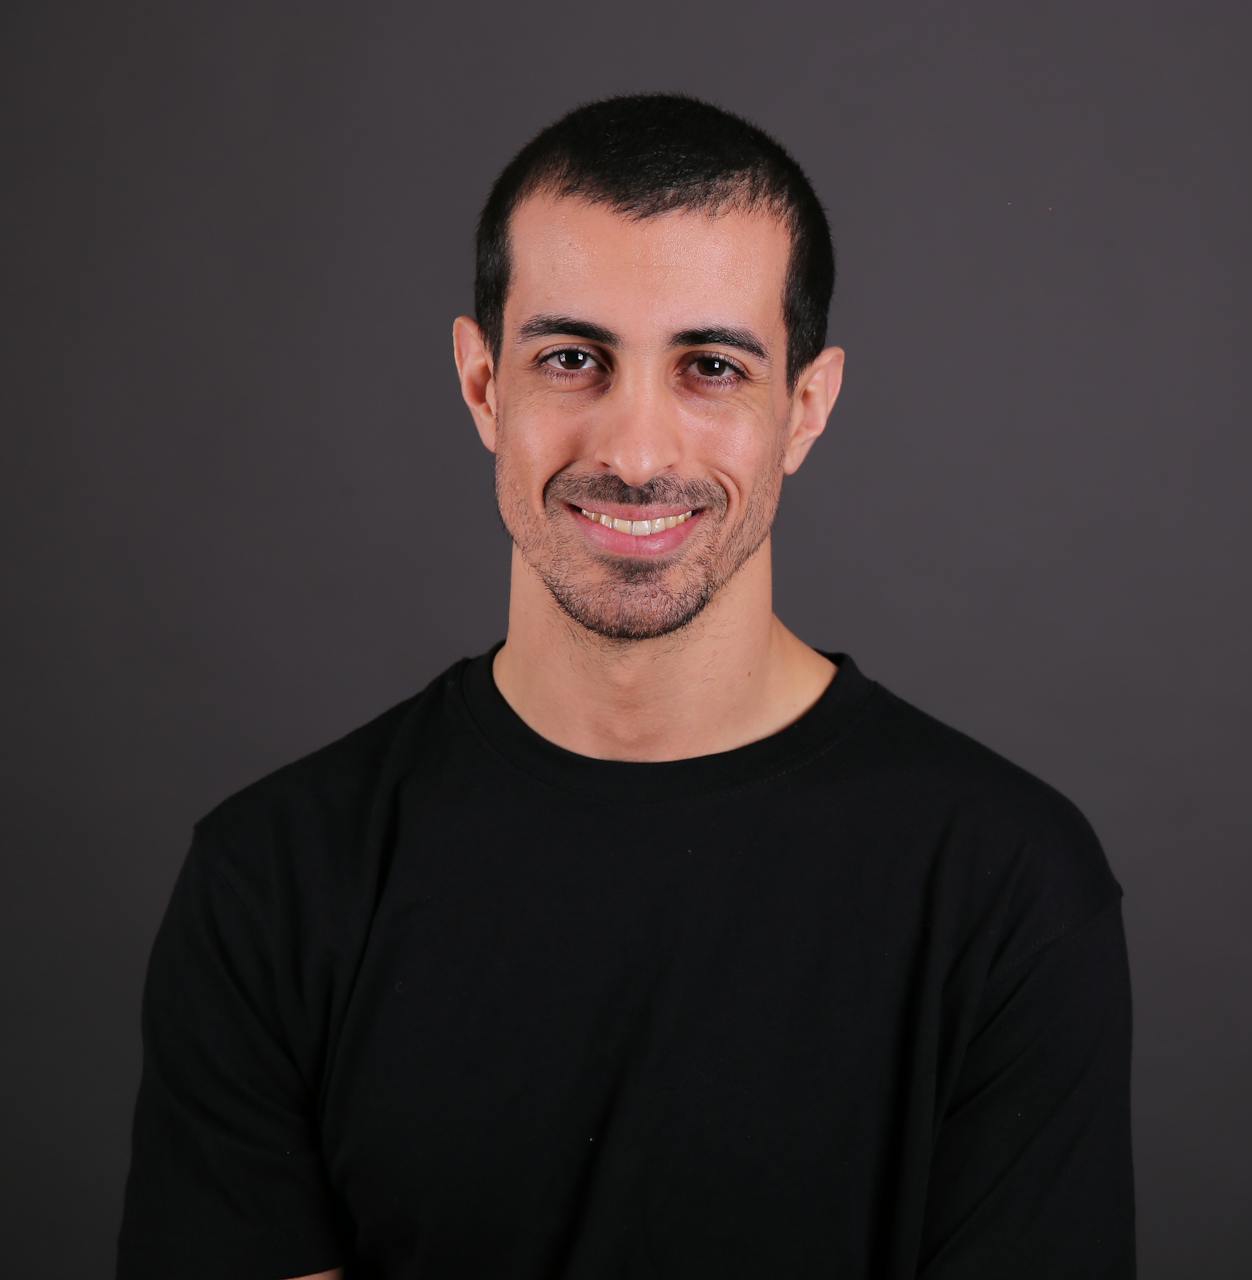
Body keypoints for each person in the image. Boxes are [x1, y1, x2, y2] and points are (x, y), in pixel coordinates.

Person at [115, 92, 1134, 1279]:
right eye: (572, 358)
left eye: (710, 365)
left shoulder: (1009, 887)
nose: (637, 451)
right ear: (483, 384)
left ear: (804, 407)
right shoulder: (274, 881)